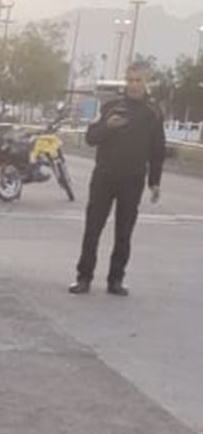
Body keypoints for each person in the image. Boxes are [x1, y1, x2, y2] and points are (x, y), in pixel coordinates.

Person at [69, 61, 166, 296]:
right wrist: (108, 127)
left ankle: (116, 280)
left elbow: (157, 149)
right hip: (104, 177)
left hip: (132, 181)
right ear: (125, 81)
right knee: (93, 229)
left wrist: (155, 182)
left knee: (124, 233)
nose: (133, 85)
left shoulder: (152, 113)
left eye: (138, 80)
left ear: (146, 82)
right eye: (130, 80)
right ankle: (84, 277)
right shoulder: (111, 107)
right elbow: (91, 138)